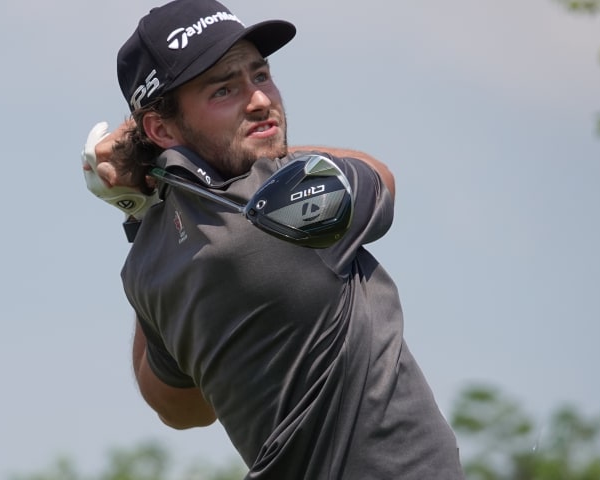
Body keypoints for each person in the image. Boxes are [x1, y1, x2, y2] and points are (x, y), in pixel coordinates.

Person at [80, 0, 465, 478]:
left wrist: (142, 206)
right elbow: (379, 175)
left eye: (260, 75)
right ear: (162, 128)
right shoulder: (277, 207)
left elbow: (181, 410)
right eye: (224, 89)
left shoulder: (148, 264)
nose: (260, 100)